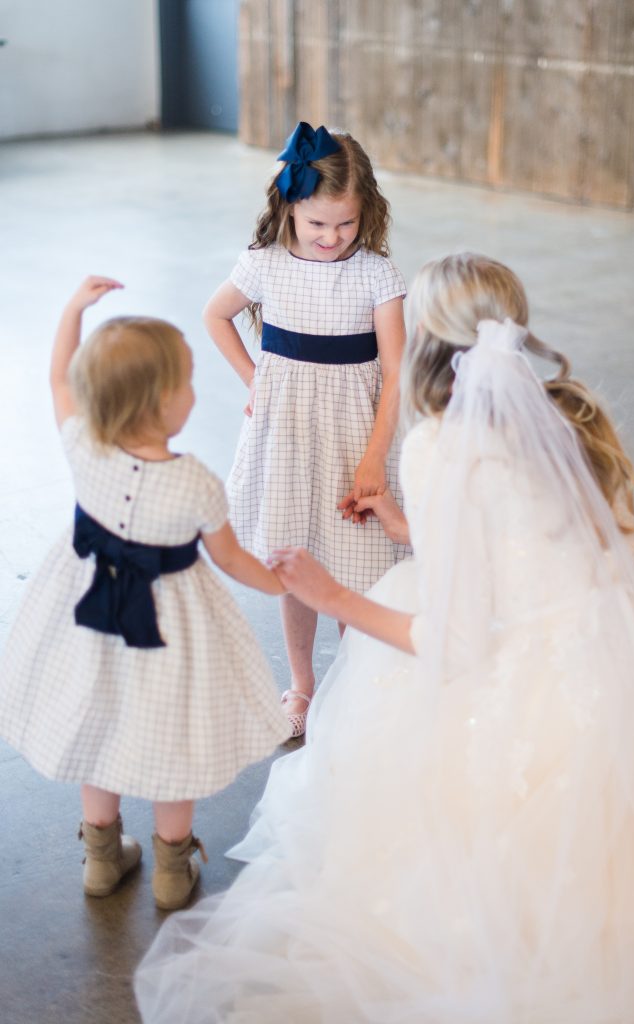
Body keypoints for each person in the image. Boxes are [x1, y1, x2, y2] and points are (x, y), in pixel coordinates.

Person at [135, 253, 634, 1021]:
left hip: (530, 681)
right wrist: (406, 524)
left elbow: (455, 641)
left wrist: (330, 595)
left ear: (423, 342)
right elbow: (533, 547)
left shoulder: (438, 448)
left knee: (396, 631)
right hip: (624, 660)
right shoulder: (573, 415)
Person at [0, 276, 290, 913]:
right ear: (163, 403)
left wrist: (73, 308)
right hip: (170, 630)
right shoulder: (195, 483)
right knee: (171, 743)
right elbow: (231, 559)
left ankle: (102, 861)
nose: (196, 392)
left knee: (98, 728)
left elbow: (58, 381)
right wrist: (284, 580)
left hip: (87, 618)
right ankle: (171, 871)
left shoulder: (83, 445)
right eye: (188, 382)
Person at [203, 121, 409, 737]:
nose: (331, 237)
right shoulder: (264, 264)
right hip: (288, 440)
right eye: (317, 222)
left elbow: (397, 373)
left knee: (356, 567)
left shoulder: (376, 275)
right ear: (290, 206)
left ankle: (357, 688)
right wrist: (255, 380)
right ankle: (302, 685)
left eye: (346, 224)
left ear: (366, 213)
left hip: (354, 443)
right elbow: (215, 316)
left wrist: (374, 458)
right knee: (297, 565)